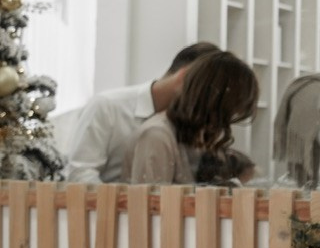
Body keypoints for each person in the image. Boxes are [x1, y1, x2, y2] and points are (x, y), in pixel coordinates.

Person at [64, 42, 222, 183]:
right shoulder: (107, 106)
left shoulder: (192, 122)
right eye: (209, 92)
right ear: (185, 77)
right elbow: (80, 173)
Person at [121, 50, 258, 184]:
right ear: (215, 103)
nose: (229, 119)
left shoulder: (199, 136)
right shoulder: (157, 136)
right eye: (230, 111)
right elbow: (151, 204)